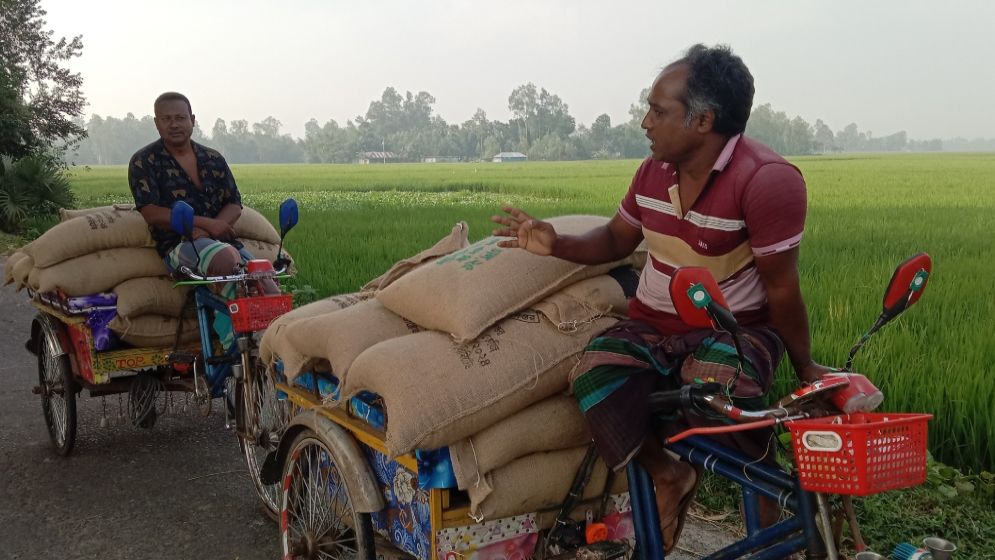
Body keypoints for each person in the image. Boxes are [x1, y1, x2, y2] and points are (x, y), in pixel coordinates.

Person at [492, 44, 831, 554]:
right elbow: (615, 241)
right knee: (594, 373)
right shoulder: (654, 171)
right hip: (653, 325)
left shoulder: (766, 181)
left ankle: (760, 489)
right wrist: (555, 243)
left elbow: (782, 288)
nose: (645, 122)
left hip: (734, 330)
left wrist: (807, 369)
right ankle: (667, 473)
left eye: (658, 110)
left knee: (715, 381)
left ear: (703, 121)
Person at [128, 91, 246, 278]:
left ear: (192, 119)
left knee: (264, 275)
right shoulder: (144, 161)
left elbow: (234, 203)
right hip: (181, 246)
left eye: (180, 118)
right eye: (166, 119)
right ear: (157, 123)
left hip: (226, 244)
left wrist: (212, 230)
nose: (174, 124)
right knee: (225, 261)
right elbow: (151, 213)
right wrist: (208, 224)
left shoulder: (213, 158)